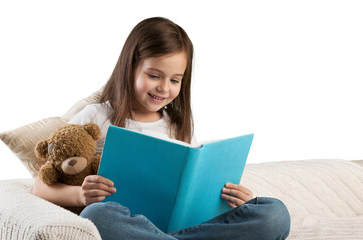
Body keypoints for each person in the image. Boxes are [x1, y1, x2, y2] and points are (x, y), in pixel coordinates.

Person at [33, 17, 291, 239]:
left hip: (186, 226)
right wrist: (81, 196)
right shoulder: (96, 117)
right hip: (129, 224)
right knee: (97, 215)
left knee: (275, 214)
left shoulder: (178, 125)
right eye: (154, 75)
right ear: (130, 66)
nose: (164, 88)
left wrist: (236, 202)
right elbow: (40, 186)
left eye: (175, 80)